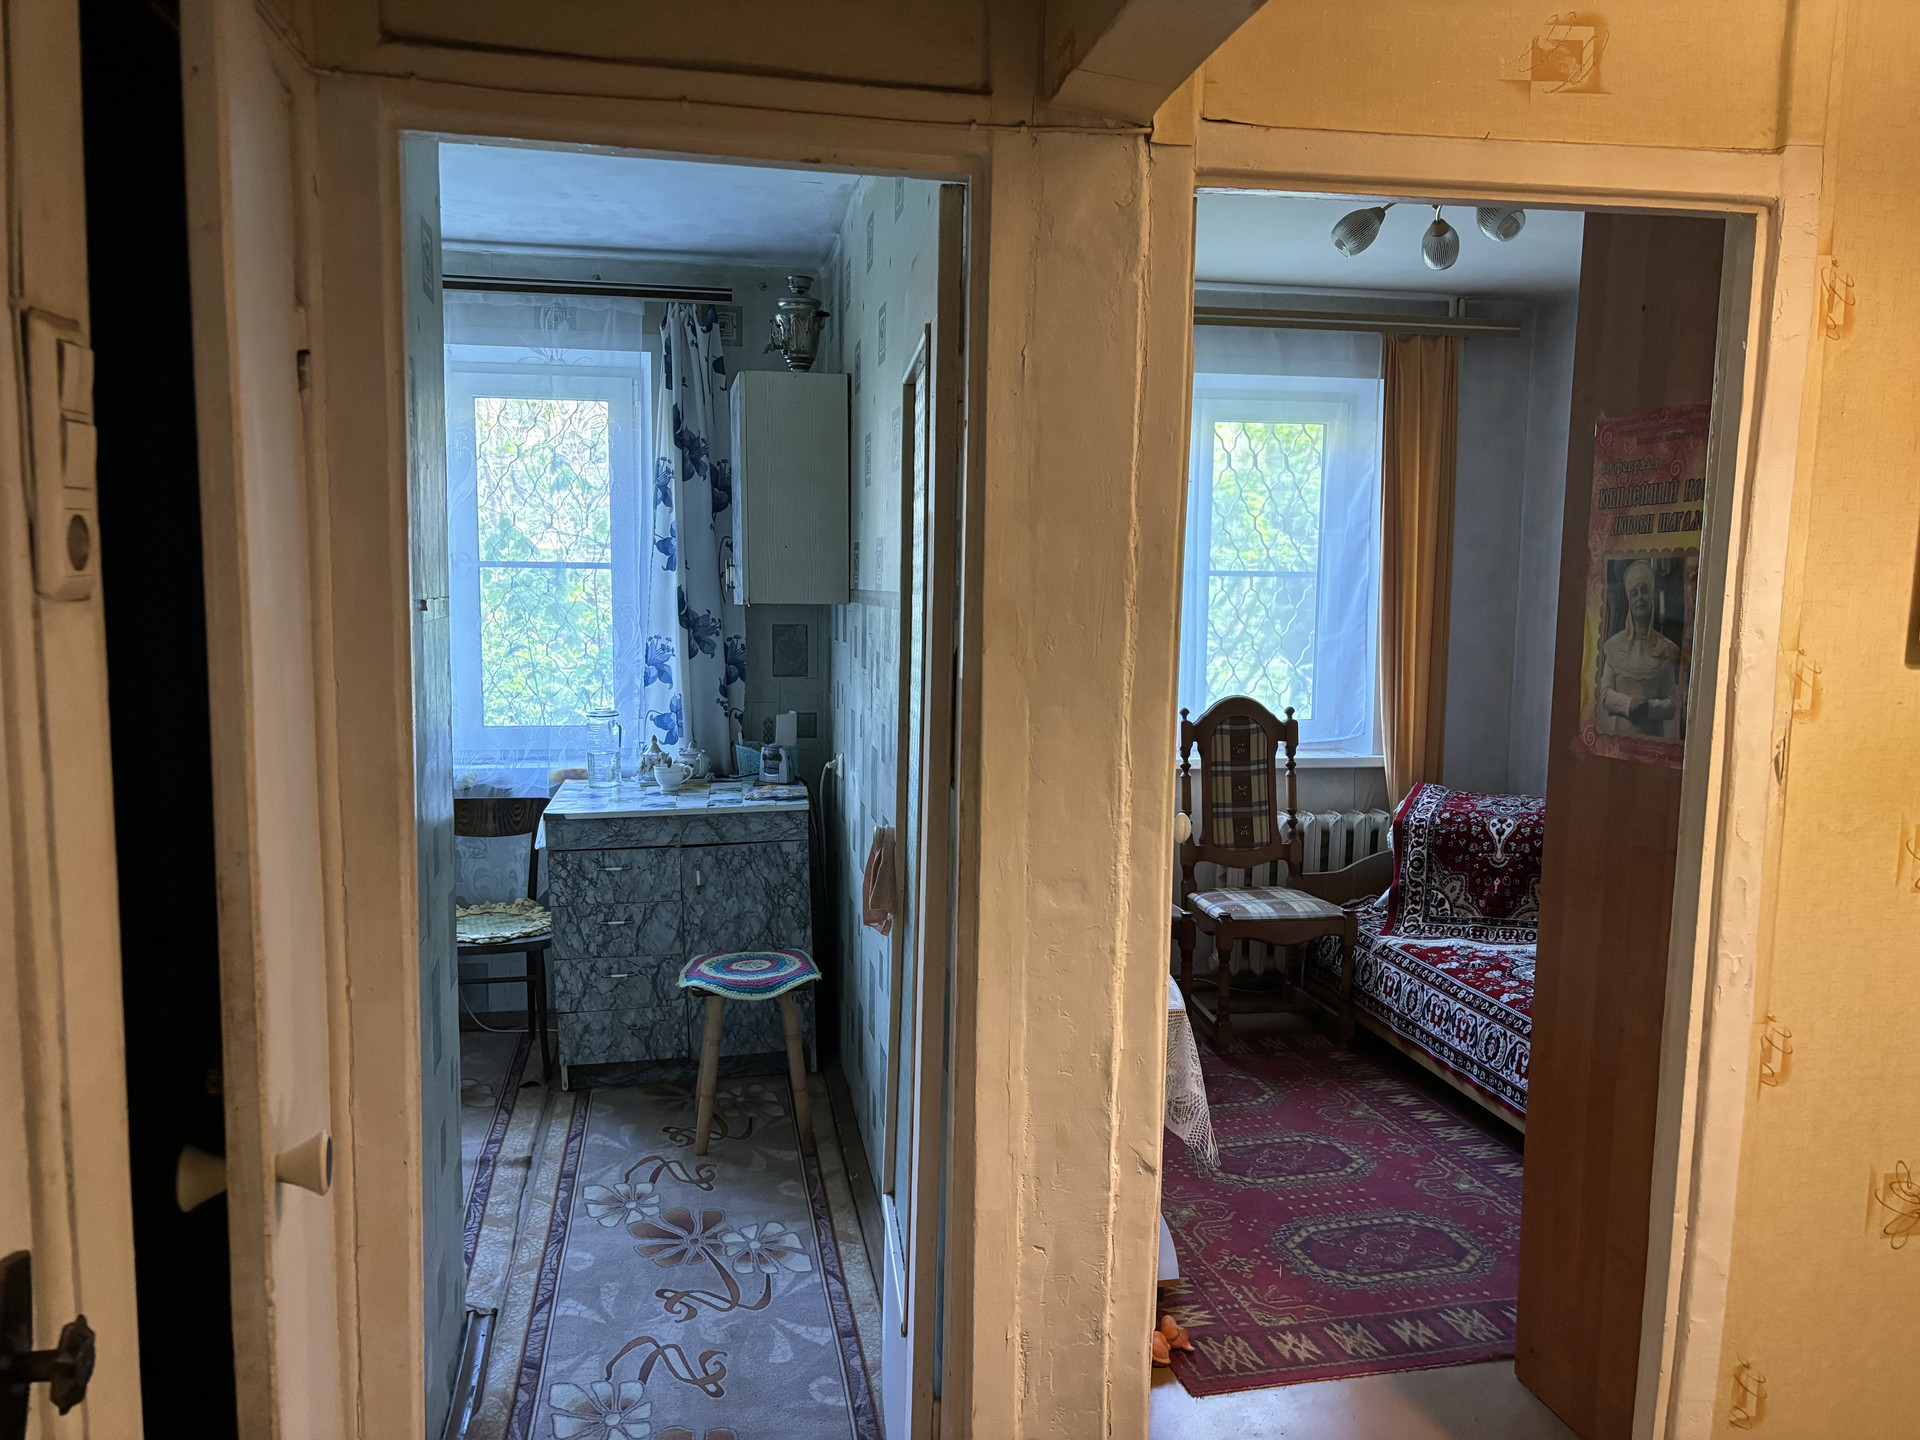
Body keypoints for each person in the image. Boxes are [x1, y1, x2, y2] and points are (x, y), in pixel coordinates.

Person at [1599, 558, 1681, 738]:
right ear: (1629, 601)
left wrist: (1649, 708)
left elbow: (1671, 704)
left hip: (1650, 739)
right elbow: (1604, 694)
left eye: (1644, 591)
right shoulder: (1614, 646)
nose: (1640, 598)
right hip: (1618, 738)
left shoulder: (1666, 649)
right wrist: (1628, 703)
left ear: (1651, 596)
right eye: (1634, 593)